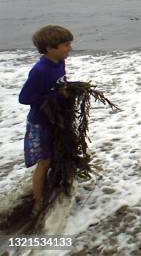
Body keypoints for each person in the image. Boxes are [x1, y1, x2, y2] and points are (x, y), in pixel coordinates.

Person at [19, 25, 73, 215]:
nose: (70, 48)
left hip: (55, 119)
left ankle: (56, 183)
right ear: (50, 48)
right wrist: (52, 97)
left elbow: (59, 84)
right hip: (40, 122)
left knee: (59, 152)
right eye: (66, 45)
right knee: (44, 162)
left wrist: (64, 92)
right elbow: (24, 98)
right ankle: (37, 200)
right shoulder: (40, 70)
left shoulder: (59, 62)